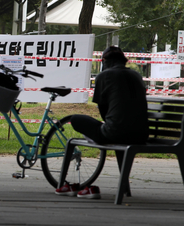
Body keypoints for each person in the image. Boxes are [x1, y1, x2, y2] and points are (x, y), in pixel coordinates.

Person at [55, 46, 149, 199]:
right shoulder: (136, 75)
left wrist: (109, 124)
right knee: (112, 126)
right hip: (141, 135)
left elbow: (103, 110)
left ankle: (93, 137)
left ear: (104, 61)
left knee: (76, 119)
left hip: (115, 133)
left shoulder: (104, 76)